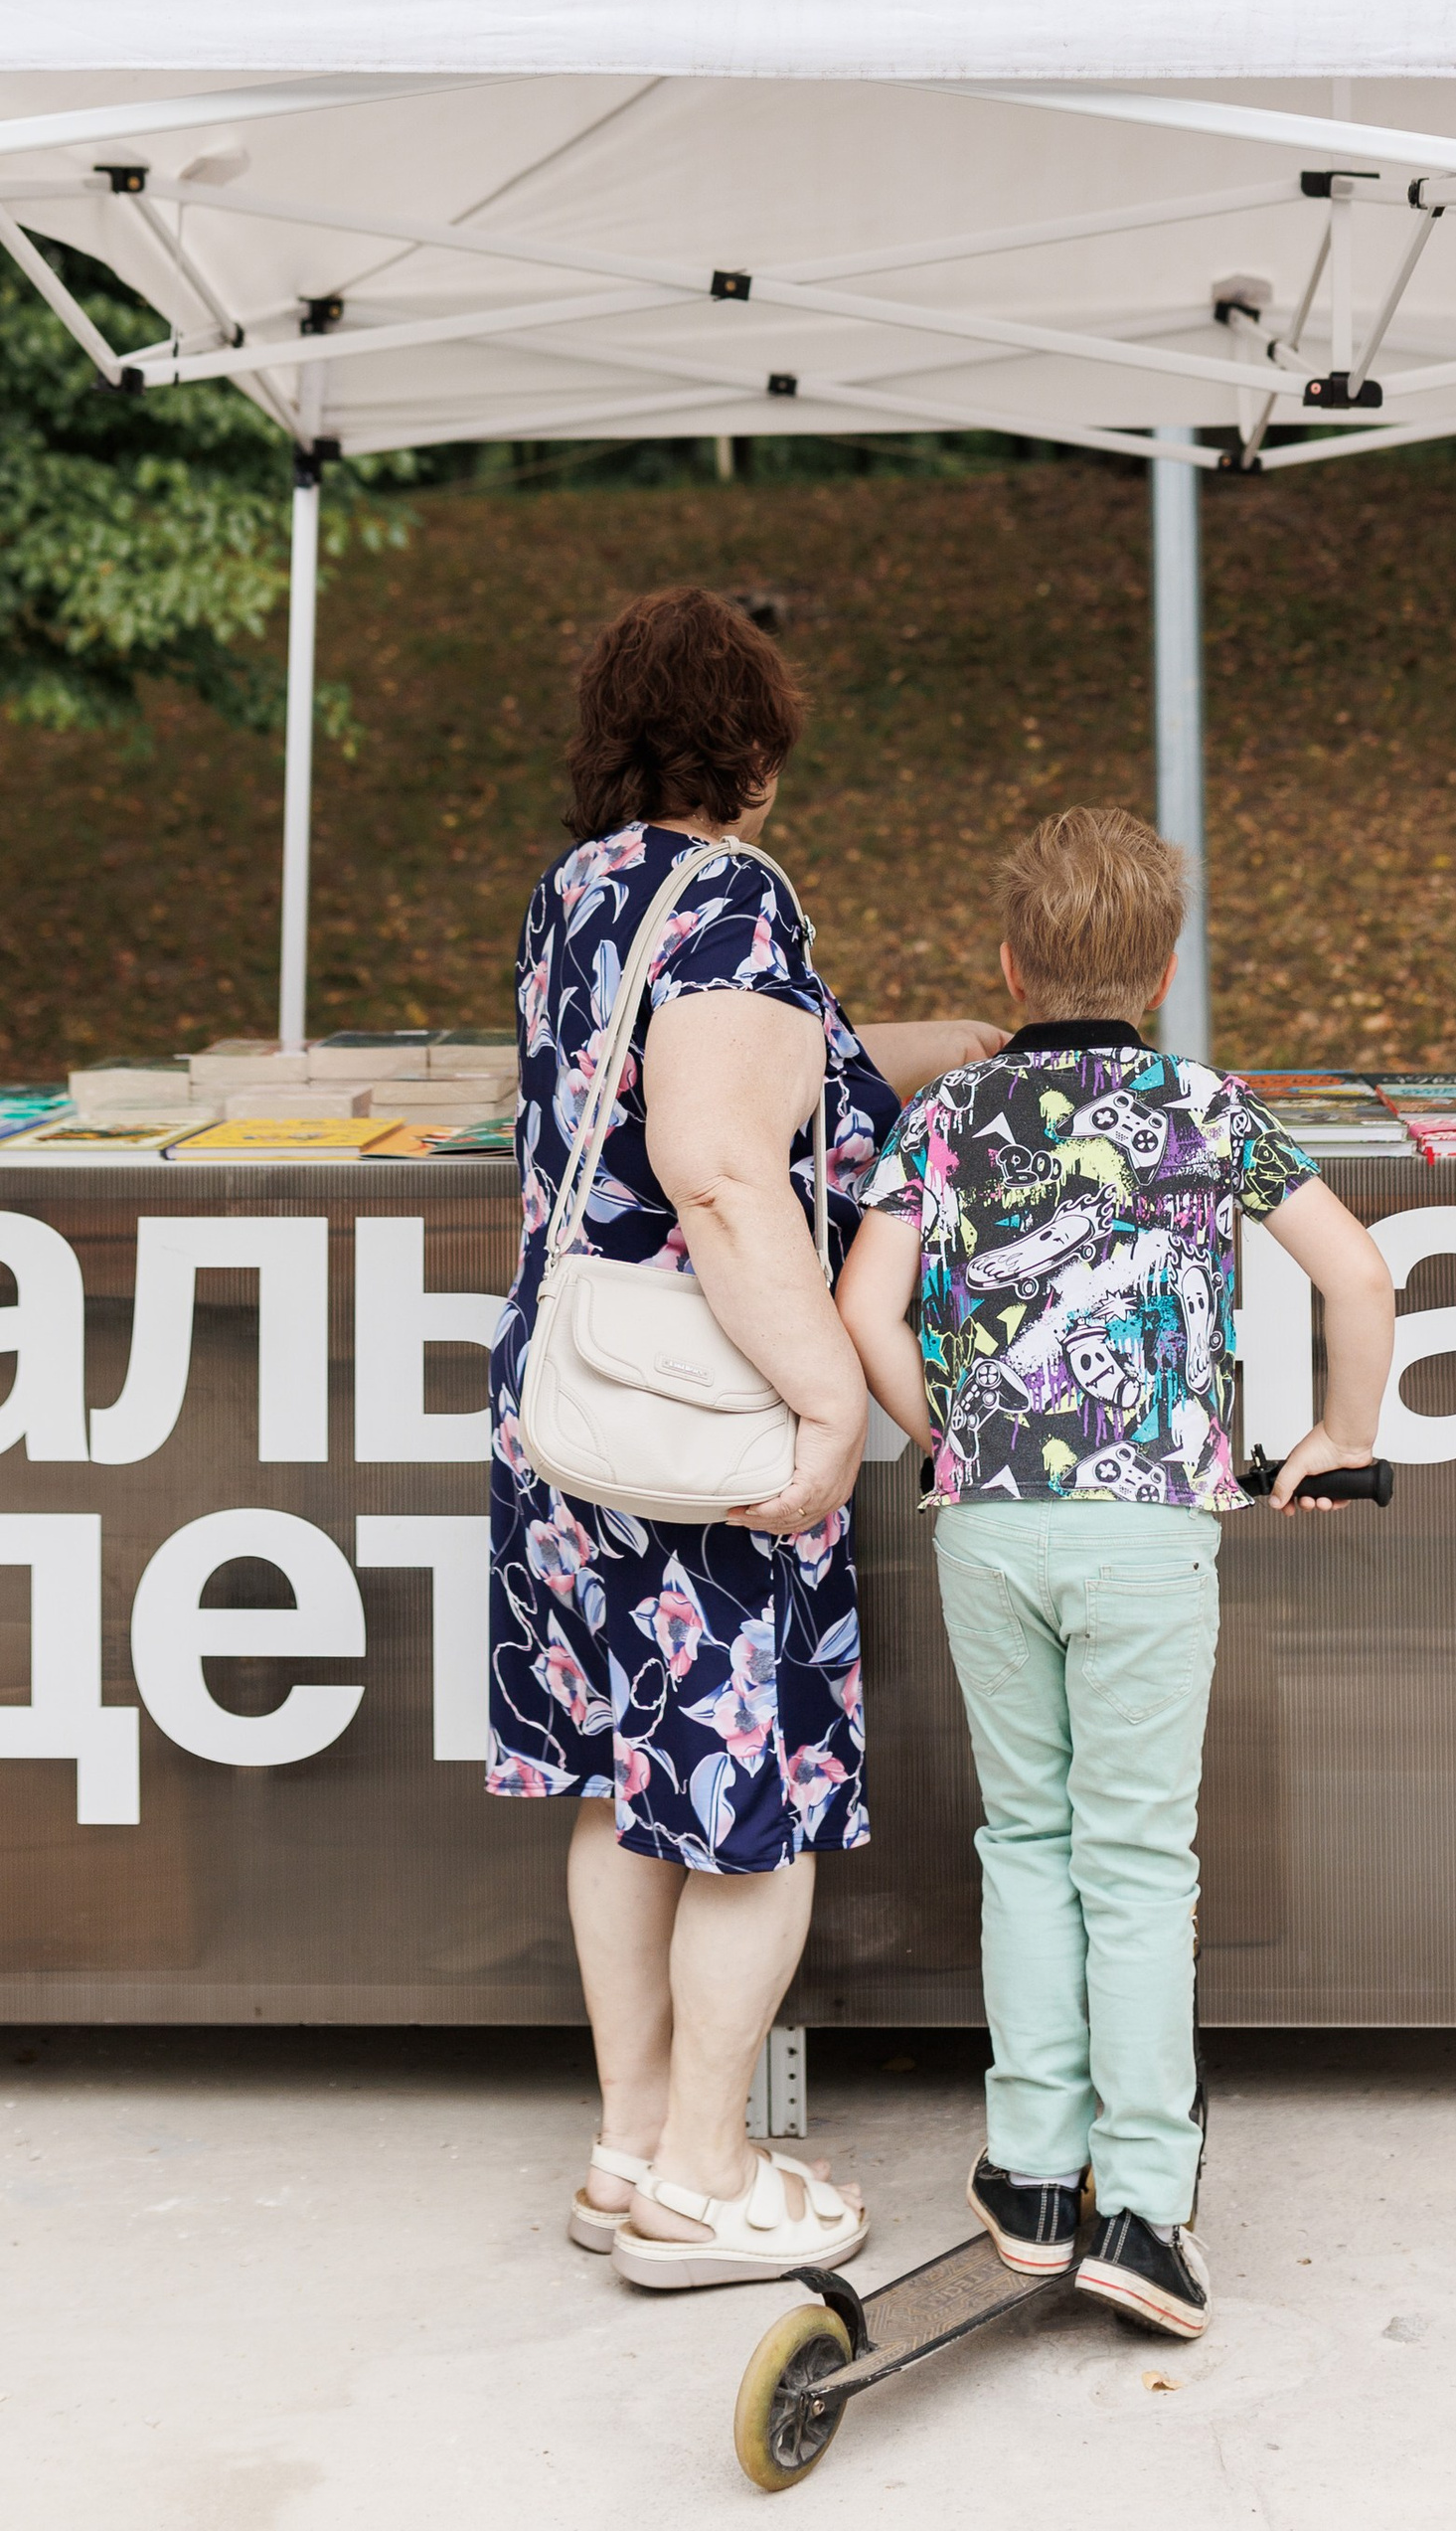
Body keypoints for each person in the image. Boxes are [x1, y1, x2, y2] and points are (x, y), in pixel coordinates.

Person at [489, 583, 1004, 2291]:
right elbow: (718, 1162)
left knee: (624, 1782)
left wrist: (952, 1051)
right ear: (757, 747)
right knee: (744, 1802)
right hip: (710, 1415)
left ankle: (631, 2147)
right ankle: (709, 2181)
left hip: (575, 1414)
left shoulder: (586, 895)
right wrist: (829, 1392)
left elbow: (757, 1083)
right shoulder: (739, 899)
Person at [838, 804, 1397, 2342]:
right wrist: (1337, 1437)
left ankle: (1029, 2169)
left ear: (1009, 962)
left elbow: (865, 1305)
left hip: (989, 1524)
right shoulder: (1206, 1109)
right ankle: (1143, 2207)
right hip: (1150, 1531)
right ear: (1163, 968)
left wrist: (946, 1430)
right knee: (1136, 1855)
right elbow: (1357, 1270)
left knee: (1026, 1833)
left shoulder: (945, 1118)